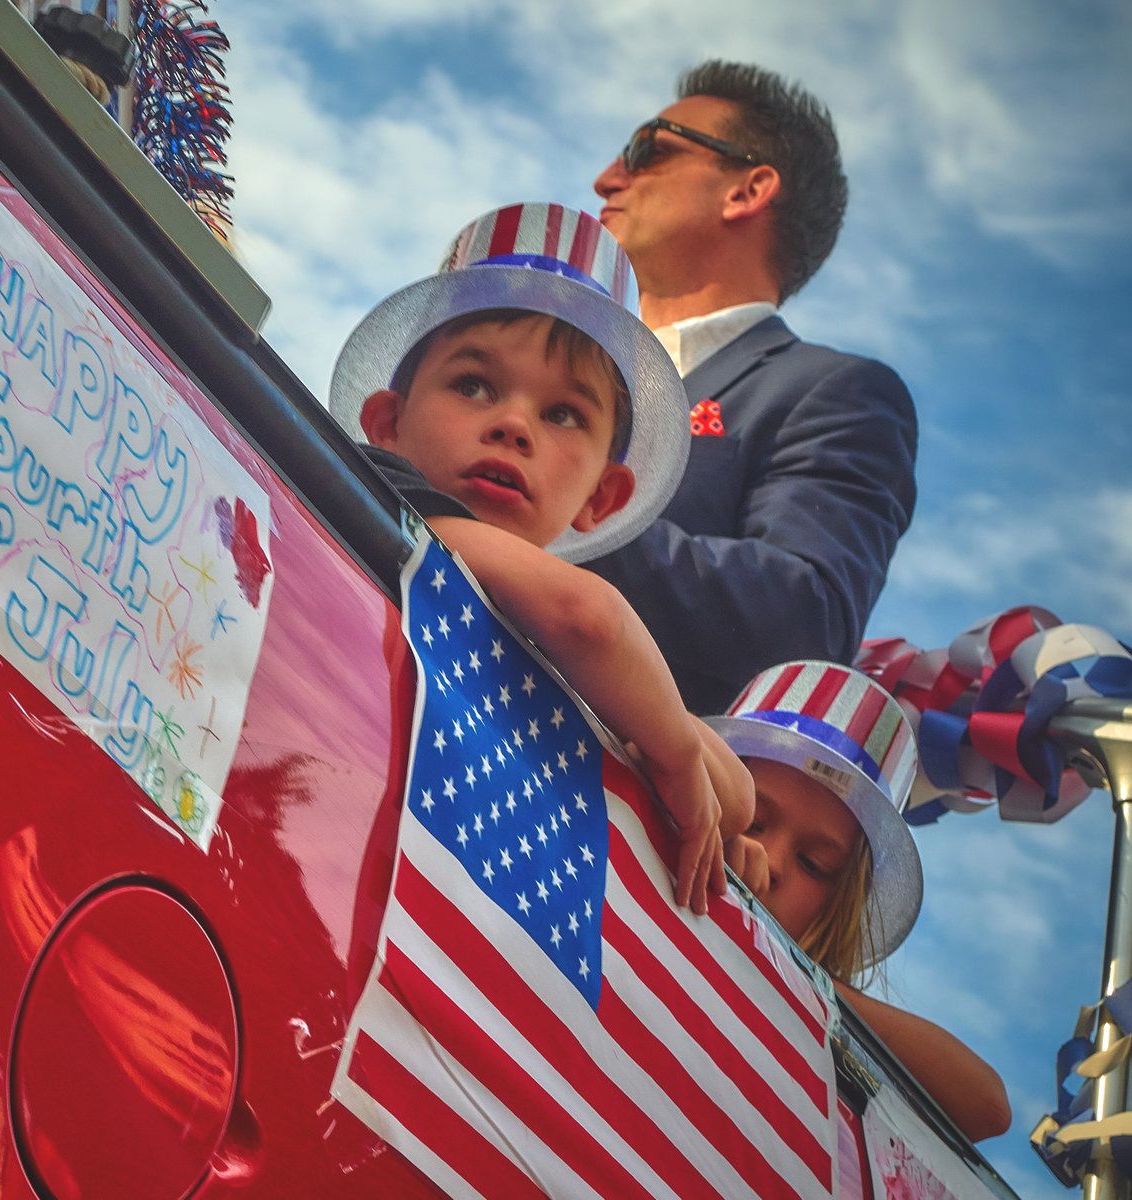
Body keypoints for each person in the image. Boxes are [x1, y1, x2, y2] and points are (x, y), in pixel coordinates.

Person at [329, 201, 753, 915]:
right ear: (387, 425)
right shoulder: (384, 491)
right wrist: (675, 756)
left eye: (563, 415)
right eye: (474, 385)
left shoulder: (535, 617)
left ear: (603, 497)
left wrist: (683, 752)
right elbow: (591, 619)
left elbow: (738, 794)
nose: (513, 424)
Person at [588, 61, 918, 714]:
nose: (607, 178)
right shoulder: (550, 356)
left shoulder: (830, 392)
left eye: (647, 150)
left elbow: (806, 616)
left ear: (747, 190)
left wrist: (558, 505)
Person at [707, 660, 1012, 1141]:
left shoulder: (821, 1011)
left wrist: (790, 970)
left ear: (839, 907)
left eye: (815, 864)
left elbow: (987, 1107)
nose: (773, 859)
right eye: (752, 819)